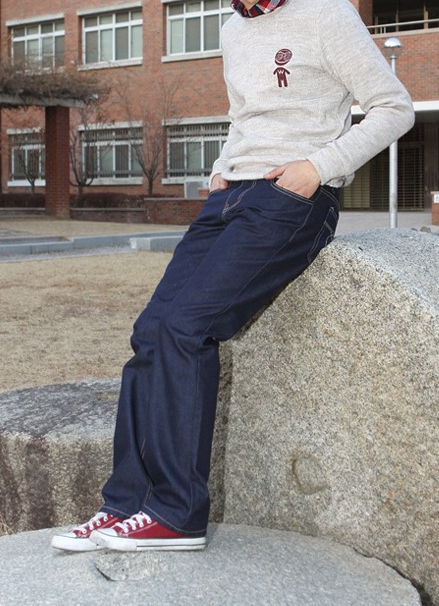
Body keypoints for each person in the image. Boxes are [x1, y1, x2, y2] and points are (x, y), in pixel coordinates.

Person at [51, 0, 414, 552]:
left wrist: (317, 168)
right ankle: (125, 506)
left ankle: (176, 514)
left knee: (186, 327)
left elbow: (395, 107)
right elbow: (243, 116)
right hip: (231, 195)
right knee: (150, 332)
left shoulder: (327, 13)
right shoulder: (232, 28)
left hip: (294, 197)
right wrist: (223, 167)